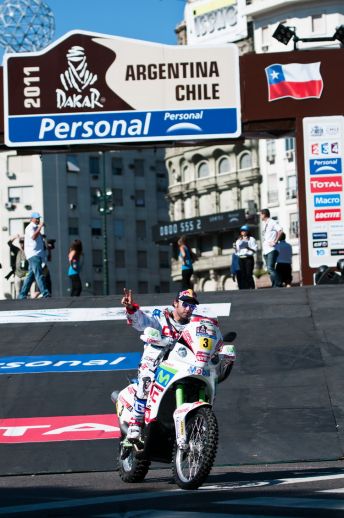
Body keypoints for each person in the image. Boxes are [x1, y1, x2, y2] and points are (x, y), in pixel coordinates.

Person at [121, 287, 199, 440]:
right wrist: (131, 309)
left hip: (183, 366)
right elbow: (142, 323)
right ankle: (135, 422)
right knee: (146, 376)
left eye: (192, 305)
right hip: (158, 363)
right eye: (186, 304)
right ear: (175, 303)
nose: (189, 308)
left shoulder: (194, 325)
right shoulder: (161, 318)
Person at [18, 212, 50, 299]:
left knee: (30, 276)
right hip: (34, 255)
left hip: (36, 255)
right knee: (39, 274)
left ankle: (22, 295)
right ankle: (45, 293)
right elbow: (33, 237)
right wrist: (40, 227)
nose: (38, 220)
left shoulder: (35, 228)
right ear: (31, 218)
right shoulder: (30, 227)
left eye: (39, 218)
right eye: (36, 218)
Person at [260, 208, 283, 288]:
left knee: (270, 268)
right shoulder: (265, 224)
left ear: (264, 214)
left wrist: (276, 241)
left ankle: (279, 282)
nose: (260, 216)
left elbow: (280, 230)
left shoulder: (272, 222)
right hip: (266, 250)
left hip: (272, 249)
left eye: (261, 214)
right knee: (269, 270)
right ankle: (274, 285)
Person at [235, 225, 258, 289]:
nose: (243, 232)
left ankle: (252, 287)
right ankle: (246, 287)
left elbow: (255, 250)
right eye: (242, 231)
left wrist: (248, 248)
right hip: (241, 258)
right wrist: (236, 249)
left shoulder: (252, 239)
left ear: (247, 231)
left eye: (244, 231)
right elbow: (237, 252)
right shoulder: (238, 240)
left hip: (248, 258)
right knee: (243, 274)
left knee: (249, 274)